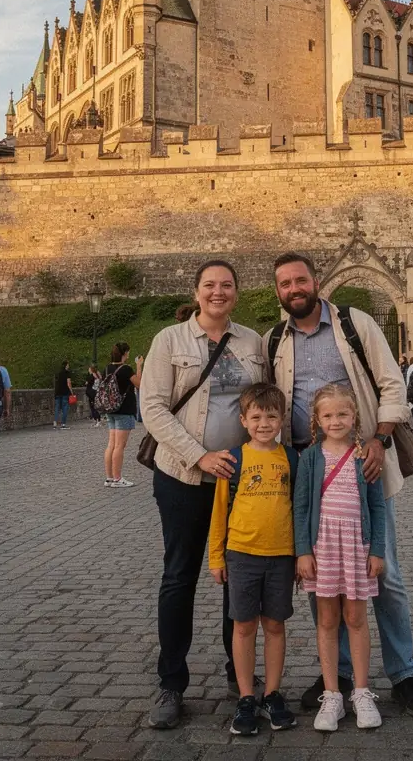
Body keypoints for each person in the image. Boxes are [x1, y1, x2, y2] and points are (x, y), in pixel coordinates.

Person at [267, 252, 413, 718]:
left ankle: (404, 675)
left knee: (387, 575)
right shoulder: (274, 340)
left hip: (364, 463)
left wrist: (380, 439)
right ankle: (338, 677)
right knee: (327, 579)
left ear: (316, 282)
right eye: (285, 284)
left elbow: (391, 383)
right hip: (310, 468)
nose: (294, 289)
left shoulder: (353, 323)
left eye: (301, 280)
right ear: (278, 292)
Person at [141, 260, 267, 731]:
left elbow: (265, 404)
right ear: (196, 293)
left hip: (240, 482)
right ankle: (171, 684)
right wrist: (199, 455)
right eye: (210, 286)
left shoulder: (252, 342)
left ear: (237, 292)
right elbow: (152, 408)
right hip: (182, 477)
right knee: (180, 577)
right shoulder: (169, 341)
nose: (218, 293)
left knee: (240, 579)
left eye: (227, 286)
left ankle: (239, 677)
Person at [208, 383, 298, 737]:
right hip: (242, 555)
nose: (264, 423)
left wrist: (302, 554)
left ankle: (273, 692)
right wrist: (217, 556)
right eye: (256, 417)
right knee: (243, 627)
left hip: (281, 555)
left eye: (271, 416)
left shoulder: (291, 459)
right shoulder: (234, 459)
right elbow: (219, 512)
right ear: (244, 420)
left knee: (275, 626)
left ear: (282, 419)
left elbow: (300, 509)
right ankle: (246, 695)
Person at [294, 384, 386, 731]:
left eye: (343, 414)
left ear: (354, 416)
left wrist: (377, 549)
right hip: (323, 549)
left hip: (356, 548)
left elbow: (376, 506)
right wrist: (302, 550)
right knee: (327, 620)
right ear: (317, 420)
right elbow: (301, 506)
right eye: (328, 415)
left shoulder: (364, 456)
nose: (336, 421)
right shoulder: (310, 458)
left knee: (357, 618)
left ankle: (361, 692)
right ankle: (332, 693)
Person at [102, 343, 142, 488]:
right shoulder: (125, 369)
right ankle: (118, 478)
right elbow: (139, 384)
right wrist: (139, 366)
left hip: (110, 409)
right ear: (125, 353)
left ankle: (109, 478)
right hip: (124, 410)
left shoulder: (107, 368)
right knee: (120, 446)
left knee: (111, 444)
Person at [53, 360, 72, 429]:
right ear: (66, 365)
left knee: (57, 408)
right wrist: (71, 392)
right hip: (65, 392)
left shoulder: (58, 373)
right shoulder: (67, 373)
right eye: (68, 365)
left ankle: (55, 423)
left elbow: (56, 383)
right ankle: (63, 424)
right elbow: (69, 383)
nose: (68, 366)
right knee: (65, 408)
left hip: (58, 392)